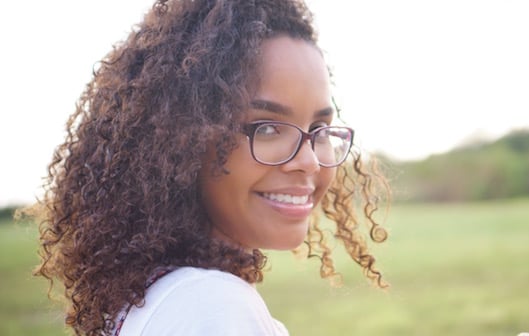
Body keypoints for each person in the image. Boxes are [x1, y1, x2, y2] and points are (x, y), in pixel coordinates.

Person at [33, 0, 389, 335]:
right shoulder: (211, 307)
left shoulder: (165, 295)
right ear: (182, 139)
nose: (309, 160)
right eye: (266, 128)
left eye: (318, 130)